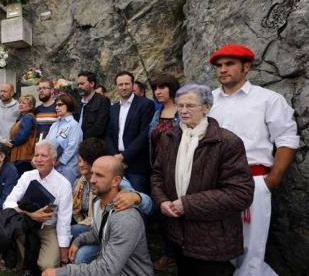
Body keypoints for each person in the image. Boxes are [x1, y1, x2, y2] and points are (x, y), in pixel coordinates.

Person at [206, 44, 299, 276]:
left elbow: (287, 138)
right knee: (219, 242)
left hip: (253, 180)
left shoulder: (268, 99)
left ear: (246, 67)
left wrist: (272, 180)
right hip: (212, 182)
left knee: (251, 249)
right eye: (219, 66)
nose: (222, 70)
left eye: (229, 64)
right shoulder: (207, 101)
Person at [151, 84, 254, 276]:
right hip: (178, 233)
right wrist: (162, 200)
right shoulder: (170, 137)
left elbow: (241, 193)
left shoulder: (227, 142)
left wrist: (187, 204)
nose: (183, 111)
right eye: (180, 105)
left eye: (190, 105)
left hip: (212, 239)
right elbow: (157, 175)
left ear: (206, 108)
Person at [43, 156, 153, 276]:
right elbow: (98, 233)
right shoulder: (97, 201)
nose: (92, 179)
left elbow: (106, 269)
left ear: (116, 181)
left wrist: (60, 273)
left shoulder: (126, 218)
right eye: (92, 174)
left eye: (99, 175)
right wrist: (78, 241)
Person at [71, 138, 153, 265]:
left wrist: (136, 197)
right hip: (97, 230)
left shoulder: (115, 184)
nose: (80, 164)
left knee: (82, 254)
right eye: (80, 160)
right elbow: (96, 230)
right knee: (66, 232)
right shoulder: (83, 181)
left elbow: (148, 205)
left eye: (84, 160)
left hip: (111, 238)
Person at [3, 140, 73, 270]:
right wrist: (31, 215)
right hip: (25, 224)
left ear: (53, 159)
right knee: (13, 226)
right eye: (36, 155)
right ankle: (27, 264)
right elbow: (8, 203)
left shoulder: (63, 185)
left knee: (48, 265)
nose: (39, 160)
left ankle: (35, 261)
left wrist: (64, 257)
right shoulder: (27, 176)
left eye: (44, 156)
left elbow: (64, 221)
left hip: (48, 227)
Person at [147, 73, 181, 271]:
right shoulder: (157, 112)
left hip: (177, 169)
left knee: (178, 211)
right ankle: (169, 254)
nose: (158, 92)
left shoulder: (181, 111)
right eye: (155, 88)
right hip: (158, 169)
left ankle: (178, 254)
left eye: (162, 87)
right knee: (163, 212)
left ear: (172, 88)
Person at [106, 71, 154, 193]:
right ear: (116, 87)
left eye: (127, 84)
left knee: (139, 201)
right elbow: (109, 134)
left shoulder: (145, 104)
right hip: (116, 163)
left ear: (133, 85)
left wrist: (124, 156)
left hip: (136, 164)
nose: (124, 87)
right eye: (120, 84)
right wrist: (115, 157)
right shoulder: (113, 108)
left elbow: (144, 134)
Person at [46, 94, 82, 185]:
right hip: (53, 166)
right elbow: (46, 143)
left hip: (67, 168)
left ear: (68, 105)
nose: (57, 108)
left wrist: (58, 162)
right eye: (56, 105)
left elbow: (72, 148)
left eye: (60, 105)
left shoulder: (74, 125)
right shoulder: (54, 125)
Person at [7, 95, 37, 177]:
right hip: (19, 156)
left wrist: (10, 143)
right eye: (20, 102)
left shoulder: (28, 118)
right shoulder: (22, 118)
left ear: (31, 106)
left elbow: (22, 136)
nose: (20, 104)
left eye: (24, 103)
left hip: (23, 157)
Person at [75, 71, 110, 140]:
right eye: (78, 84)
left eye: (82, 84)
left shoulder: (102, 101)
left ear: (92, 84)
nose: (79, 86)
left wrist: (80, 138)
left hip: (93, 145)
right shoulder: (78, 102)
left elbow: (99, 127)